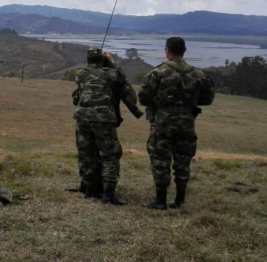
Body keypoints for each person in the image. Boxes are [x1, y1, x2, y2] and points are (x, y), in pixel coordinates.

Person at [138, 37, 215, 210]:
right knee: (183, 160)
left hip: (162, 122)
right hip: (187, 122)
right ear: (184, 51)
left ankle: (160, 200)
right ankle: (179, 200)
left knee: (160, 159)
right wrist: (188, 103)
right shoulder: (198, 74)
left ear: (167, 50)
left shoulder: (157, 73)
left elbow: (143, 98)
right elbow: (208, 98)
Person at [73, 47, 143, 205]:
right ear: (103, 60)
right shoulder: (113, 74)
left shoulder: (80, 74)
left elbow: (77, 96)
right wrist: (113, 63)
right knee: (110, 155)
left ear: (87, 60)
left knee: (86, 153)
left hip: (83, 118)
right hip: (104, 120)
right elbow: (126, 88)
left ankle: (90, 189)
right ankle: (108, 194)